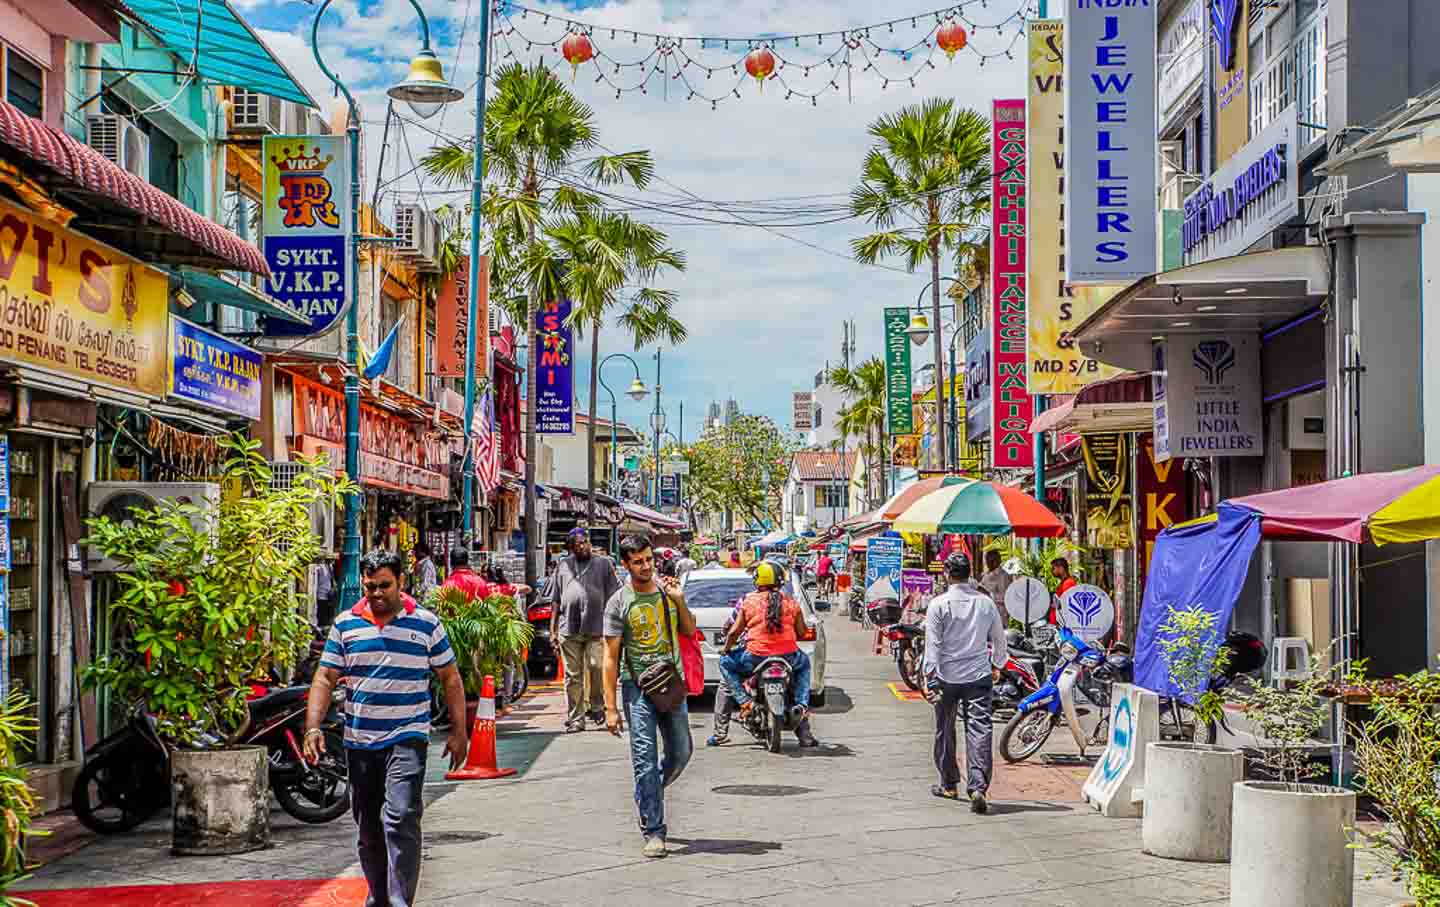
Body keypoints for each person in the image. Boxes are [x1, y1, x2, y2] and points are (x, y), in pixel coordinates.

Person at [303, 549, 469, 907]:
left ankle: (398, 901)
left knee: (401, 817)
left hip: (407, 737)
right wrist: (312, 728)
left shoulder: (426, 623)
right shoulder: (346, 624)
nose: (377, 594)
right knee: (367, 829)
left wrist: (460, 732)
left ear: (401, 582)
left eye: (384, 586)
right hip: (359, 741)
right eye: (370, 587)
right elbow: (326, 676)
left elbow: (450, 679)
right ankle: (378, 897)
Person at [603, 534, 696, 858]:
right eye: (638, 561)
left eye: (648, 559)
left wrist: (680, 599)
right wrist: (610, 707)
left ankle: (648, 790)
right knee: (643, 758)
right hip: (636, 687)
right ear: (626, 564)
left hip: (672, 683)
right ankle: (654, 831)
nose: (645, 566)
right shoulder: (618, 602)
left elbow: (688, 629)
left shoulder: (667, 593)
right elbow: (611, 657)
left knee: (682, 752)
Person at [924, 552, 1008, 814]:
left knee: (945, 729)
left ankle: (949, 784)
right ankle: (978, 787)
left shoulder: (938, 604)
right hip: (978, 675)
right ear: (970, 573)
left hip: (946, 677)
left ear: (947, 574)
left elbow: (933, 647)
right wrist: (997, 665)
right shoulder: (985, 603)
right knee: (980, 729)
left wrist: (930, 677)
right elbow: (999, 639)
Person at [718, 560, 818, 747]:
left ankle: (745, 703)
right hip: (788, 657)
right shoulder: (791, 602)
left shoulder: (748, 601)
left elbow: (733, 632)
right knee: (804, 664)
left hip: (754, 658)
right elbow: (803, 632)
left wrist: (726, 649)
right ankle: (802, 706)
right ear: (781, 581)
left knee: (724, 663)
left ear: (757, 580)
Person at [550, 527, 622, 732]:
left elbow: (613, 597)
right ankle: (576, 719)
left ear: (589, 543)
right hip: (568, 628)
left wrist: (614, 625)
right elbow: (556, 599)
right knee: (573, 676)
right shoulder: (563, 565)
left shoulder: (604, 564)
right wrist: (553, 630)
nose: (581, 547)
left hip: (596, 627)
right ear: (571, 548)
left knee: (597, 666)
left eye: (584, 542)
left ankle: (597, 705)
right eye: (577, 544)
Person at [978, 551, 1015, 624]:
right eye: (986, 561)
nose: (987, 563)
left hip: (999, 614)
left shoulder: (1003, 576)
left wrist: (988, 594)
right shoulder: (987, 574)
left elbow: (1005, 597)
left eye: (989, 561)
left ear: (996, 561)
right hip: (987, 613)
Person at [1050, 557, 1077, 624]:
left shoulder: (1068, 583)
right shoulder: (1064, 583)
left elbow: (1066, 604)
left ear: (1061, 568)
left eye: (1053, 568)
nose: (1052, 571)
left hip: (1063, 625)